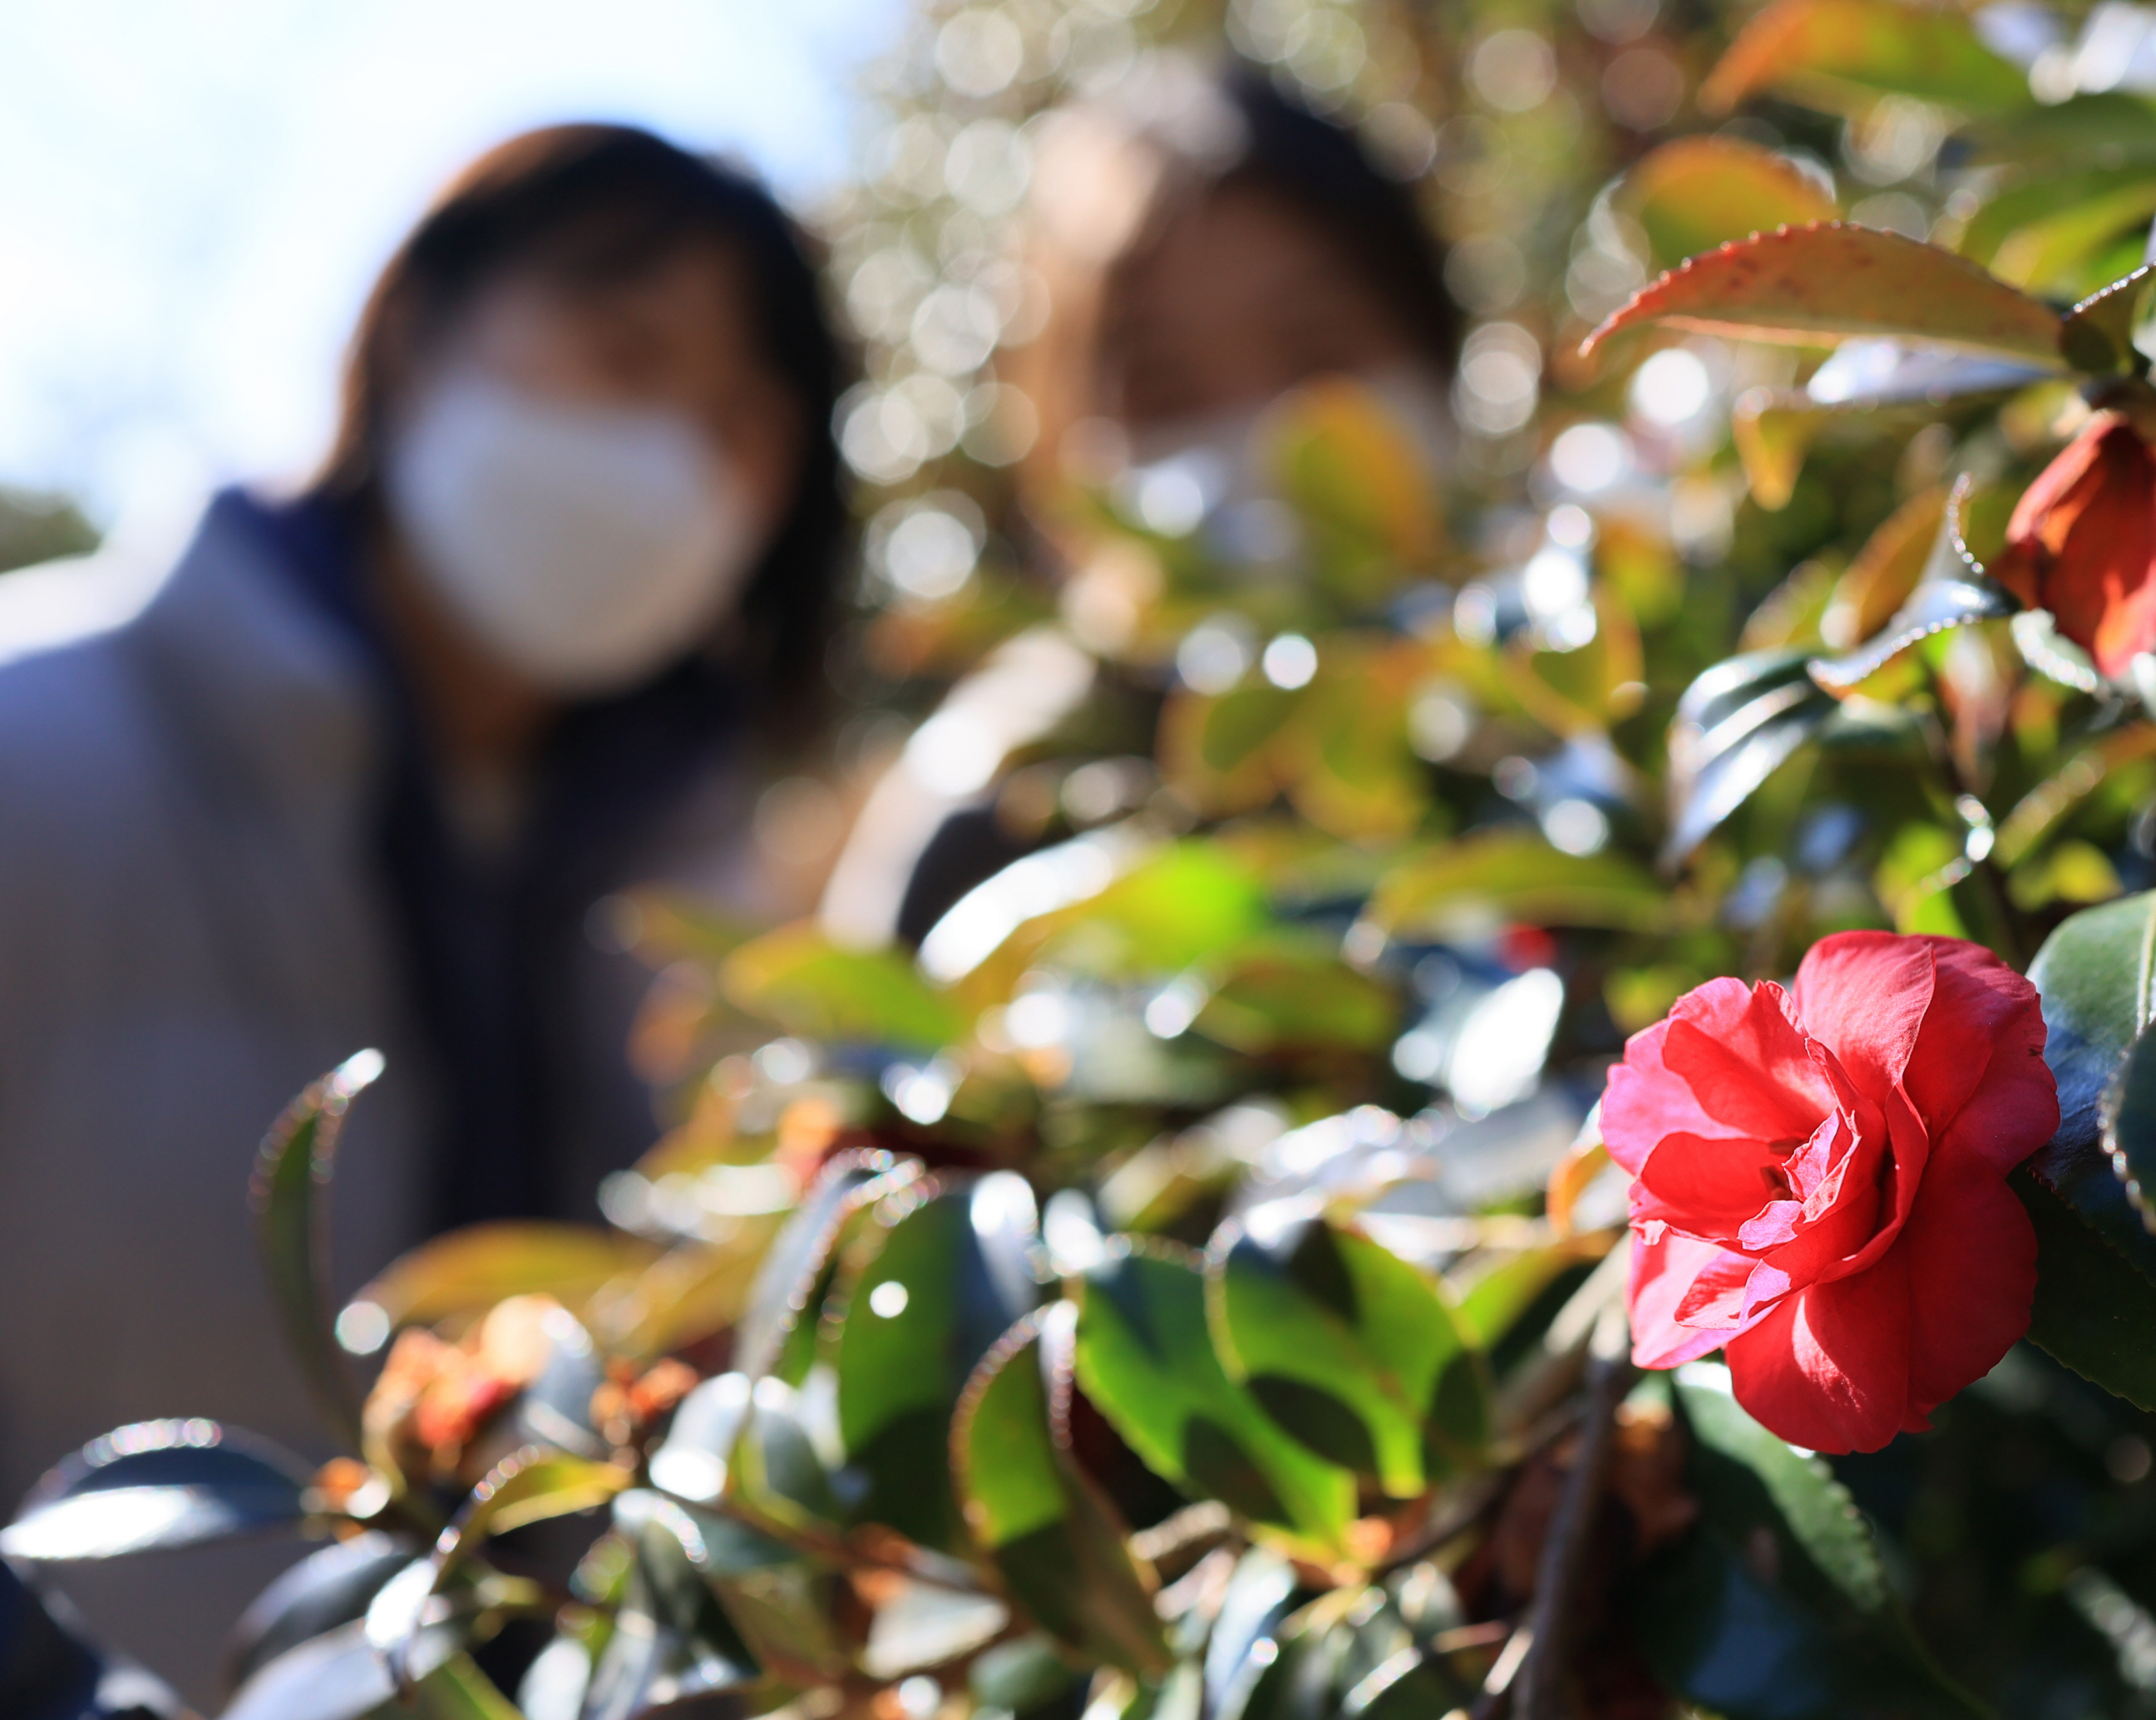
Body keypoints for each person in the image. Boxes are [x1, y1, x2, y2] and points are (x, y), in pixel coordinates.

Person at [0, 124, 848, 1694]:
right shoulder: (31, 747)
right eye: (623, 351)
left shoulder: (715, 926)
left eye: (739, 420)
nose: (670, 452)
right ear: (410, 332)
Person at [820, 60, 1460, 948]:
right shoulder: (983, 821)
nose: (1270, 430)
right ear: (1058, 452)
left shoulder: (1590, 713)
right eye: (1163, 389)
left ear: (1434, 351)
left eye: (1318, 354)